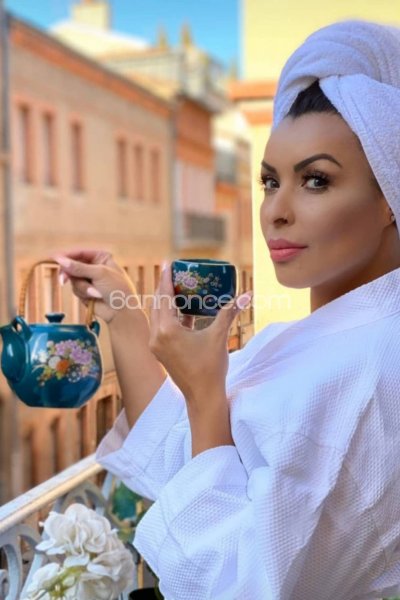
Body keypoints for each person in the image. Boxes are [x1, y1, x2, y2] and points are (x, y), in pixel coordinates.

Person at [54, 19, 400, 600]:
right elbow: (181, 450)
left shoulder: (371, 371)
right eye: (269, 182)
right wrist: (121, 310)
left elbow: (240, 585)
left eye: (316, 181)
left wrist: (207, 397)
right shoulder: (312, 341)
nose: (275, 211)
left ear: (390, 194)